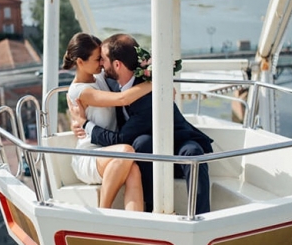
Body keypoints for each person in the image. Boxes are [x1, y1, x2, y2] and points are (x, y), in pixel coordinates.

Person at [70, 33, 214, 215]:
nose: (101, 65)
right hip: (147, 143)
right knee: (142, 144)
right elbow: (80, 90)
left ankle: (201, 215)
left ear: (117, 65)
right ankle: (151, 208)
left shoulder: (148, 96)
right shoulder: (111, 82)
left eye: (103, 60)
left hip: (177, 141)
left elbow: (120, 136)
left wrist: (85, 124)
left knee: (193, 154)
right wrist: (76, 120)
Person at [62, 33, 151, 211]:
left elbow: (124, 64)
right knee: (127, 151)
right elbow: (122, 99)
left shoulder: (99, 77)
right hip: (89, 156)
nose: (102, 63)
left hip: (111, 150)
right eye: (97, 59)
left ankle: (136, 227)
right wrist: (157, 82)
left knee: (133, 170)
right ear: (80, 62)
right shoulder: (82, 91)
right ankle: (104, 212)